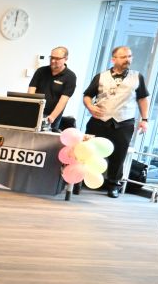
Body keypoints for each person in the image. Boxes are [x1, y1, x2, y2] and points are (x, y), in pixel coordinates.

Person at [82, 46, 150, 198]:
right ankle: (82, 180)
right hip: (99, 120)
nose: (128, 59)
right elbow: (87, 96)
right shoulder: (101, 76)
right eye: (123, 57)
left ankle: (113, 185)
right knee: (90, 150)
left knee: (119, 155)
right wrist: (90, 106)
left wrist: (144, 119)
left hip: (124, 122)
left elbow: (143, 99)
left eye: (129, 56)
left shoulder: (137, 77)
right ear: (113, 59)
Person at [27, 47, 77, 132]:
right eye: (52, 57)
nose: (53, 61)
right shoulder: (41, 71)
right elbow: (31, 91)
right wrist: (30, 109)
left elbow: (64, 100)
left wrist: (52, 117)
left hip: (52, 115)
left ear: (66, 59)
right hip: (35, 112)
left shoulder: (70, 76)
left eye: (57, 58)